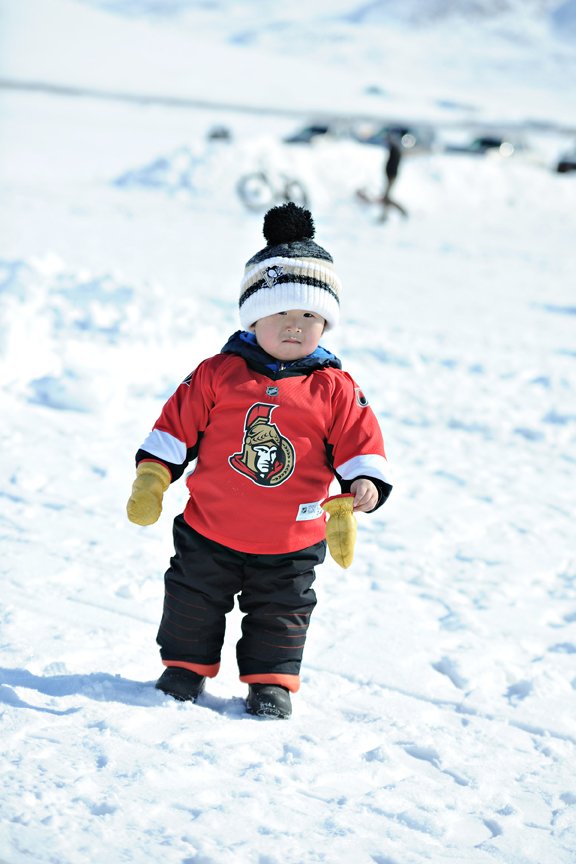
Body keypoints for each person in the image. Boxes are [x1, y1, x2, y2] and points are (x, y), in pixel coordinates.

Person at [126, 203, 393, 719]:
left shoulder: (334, 387)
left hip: (293, 538)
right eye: (282, 315)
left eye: (309, 317)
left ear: (326, 323)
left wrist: (365, 481)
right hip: (210, 525)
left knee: (283, 610)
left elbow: (362, 442)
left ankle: (270, 681)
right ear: (254, 317)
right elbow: (174, 427)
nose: (295, 327)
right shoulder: (217, 373)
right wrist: (153, 477)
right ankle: (184, 665)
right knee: (191, 598)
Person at [381, 134, 408, 222]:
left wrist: (389, 173)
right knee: (386, 197)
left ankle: (402, 211)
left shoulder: (395, 150)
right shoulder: (393, 149)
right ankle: (385, 215)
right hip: (390, 175)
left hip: (391, 176)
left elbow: (393, 165)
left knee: (387, 197)